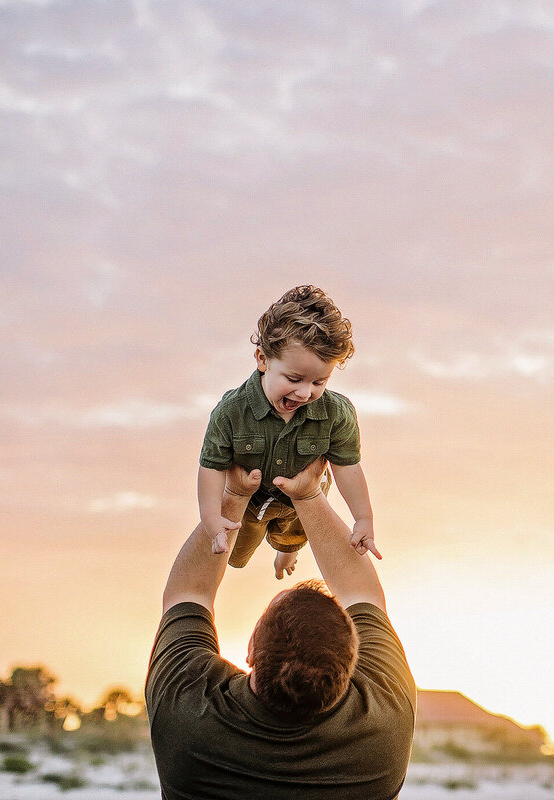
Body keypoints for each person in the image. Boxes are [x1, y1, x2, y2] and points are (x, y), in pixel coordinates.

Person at [146, 460, 416, 799]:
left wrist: (234, 495)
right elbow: (361, 593)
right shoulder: (382, 736)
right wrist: (308, 495)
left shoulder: (189, 721)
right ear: (352, 661)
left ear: (250, 650)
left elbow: (188, 594)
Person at [198, 285, 380, 581]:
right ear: (262, 359)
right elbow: (212, 466)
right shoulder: (231, 412)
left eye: (319, 382)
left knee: (292, 538)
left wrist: (363, 518)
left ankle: (287, 552)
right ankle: (248, 546)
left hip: (301, 500)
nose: (306, 392)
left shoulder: (336, 413)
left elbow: (347, 466)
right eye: (294, 379)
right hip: (250, 501)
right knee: (236, 557)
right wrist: (211, 517)